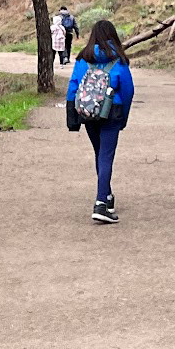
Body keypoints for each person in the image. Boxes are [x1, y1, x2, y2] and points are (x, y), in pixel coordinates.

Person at [65, 19, 135, 223]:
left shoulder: (82, 58)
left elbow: (73, 87)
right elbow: (128, 91)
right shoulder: (119, 60)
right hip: (112, 112)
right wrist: (124, 117)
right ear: (113, 36)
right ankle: (101, 203)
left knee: (99, 154)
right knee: (106, 156)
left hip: (88, 112)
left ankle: (107, 195)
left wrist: (72, 118)